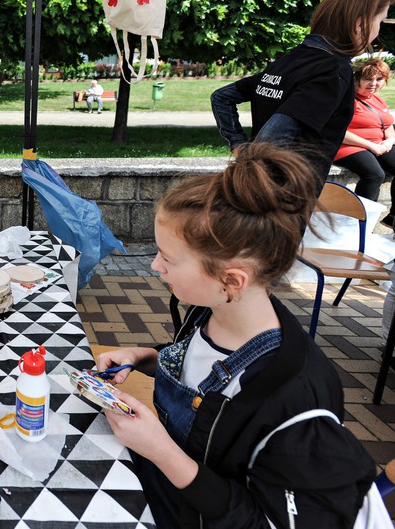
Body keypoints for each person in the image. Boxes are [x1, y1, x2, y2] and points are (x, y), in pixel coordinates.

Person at [96, 143, 376, 528]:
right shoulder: (211, 311)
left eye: (168, 257)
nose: (154, 265)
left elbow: (262, 521)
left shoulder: (293, 399)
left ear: (231, 280)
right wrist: (147, 358)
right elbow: (201, 363)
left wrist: (163, 452)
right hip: (147, 484)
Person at [211, 0, 393, 191]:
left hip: (266, 190)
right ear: (359, 25)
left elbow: (221, 97)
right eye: (379, 22)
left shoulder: (289, 59)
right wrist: (245, 153)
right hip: (286, 196)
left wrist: (239, 145)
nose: (377, 33)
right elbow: (271, 138)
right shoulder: (334, 69)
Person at [334, 58, 395, 228]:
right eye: (368, 79)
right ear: (357, 79)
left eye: (379, 79)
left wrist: (390, 141)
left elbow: (388, 125)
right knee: (375, 174)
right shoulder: (347, 100)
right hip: (348, 145)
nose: (373, 83)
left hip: (378, 144)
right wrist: (372, 146)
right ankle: (358, 223)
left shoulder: (377, 100)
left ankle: (393, 217)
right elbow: (339, 131)